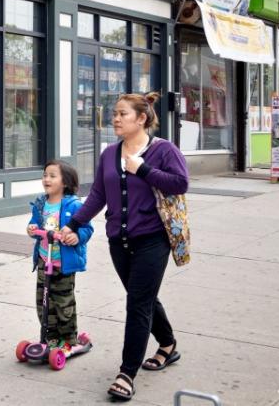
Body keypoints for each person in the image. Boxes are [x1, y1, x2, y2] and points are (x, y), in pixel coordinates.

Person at [61, 92, 189, 402]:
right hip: (119, 240)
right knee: (141, 297)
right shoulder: (108, 154)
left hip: (152, 238)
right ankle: (168, 345)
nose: (115, 119)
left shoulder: (163, 150)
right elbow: (98, 196)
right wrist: (74, 223)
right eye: (114, 114)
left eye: (122, 114)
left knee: (137, 304)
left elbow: (181, 183)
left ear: (141, 118)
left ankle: (126, 373)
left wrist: (142, 169)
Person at [25, 159, 93, 351]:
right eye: (45, 175)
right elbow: (34, 224)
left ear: (65, 182)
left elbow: (87, 229)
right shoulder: (40, 204)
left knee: (63, 302)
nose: (47, 179)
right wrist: (32, 228)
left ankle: (69, 339)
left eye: (52, 176)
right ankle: (51, 337)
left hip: (63, 263)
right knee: (44, 302)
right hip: (43, 260)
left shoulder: (73, 206)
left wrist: (76, 236)